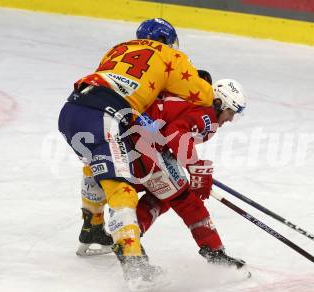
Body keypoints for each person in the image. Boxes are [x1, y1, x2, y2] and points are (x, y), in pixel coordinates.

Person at [58, 17, 213, 285]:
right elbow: (205, 96)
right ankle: (133, 261)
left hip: (72, 110)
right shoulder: (172, 57)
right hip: (103, 115)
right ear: (169, 42)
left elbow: (121, 86)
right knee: (121, 187)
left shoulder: (118, 48)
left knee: (97, 168)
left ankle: (93, 228)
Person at [77, 75, 248, 272]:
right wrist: (195, 166)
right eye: (230, 112)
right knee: (185, 199)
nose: (230, 118)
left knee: (162, 195)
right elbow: (177, 132)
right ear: (218, 102)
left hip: (123, 140)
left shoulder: (184, 95)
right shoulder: (206, 113)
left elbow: (169, 127)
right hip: (143, 148)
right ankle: (213, 252)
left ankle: (102, 228)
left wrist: (182, 160)